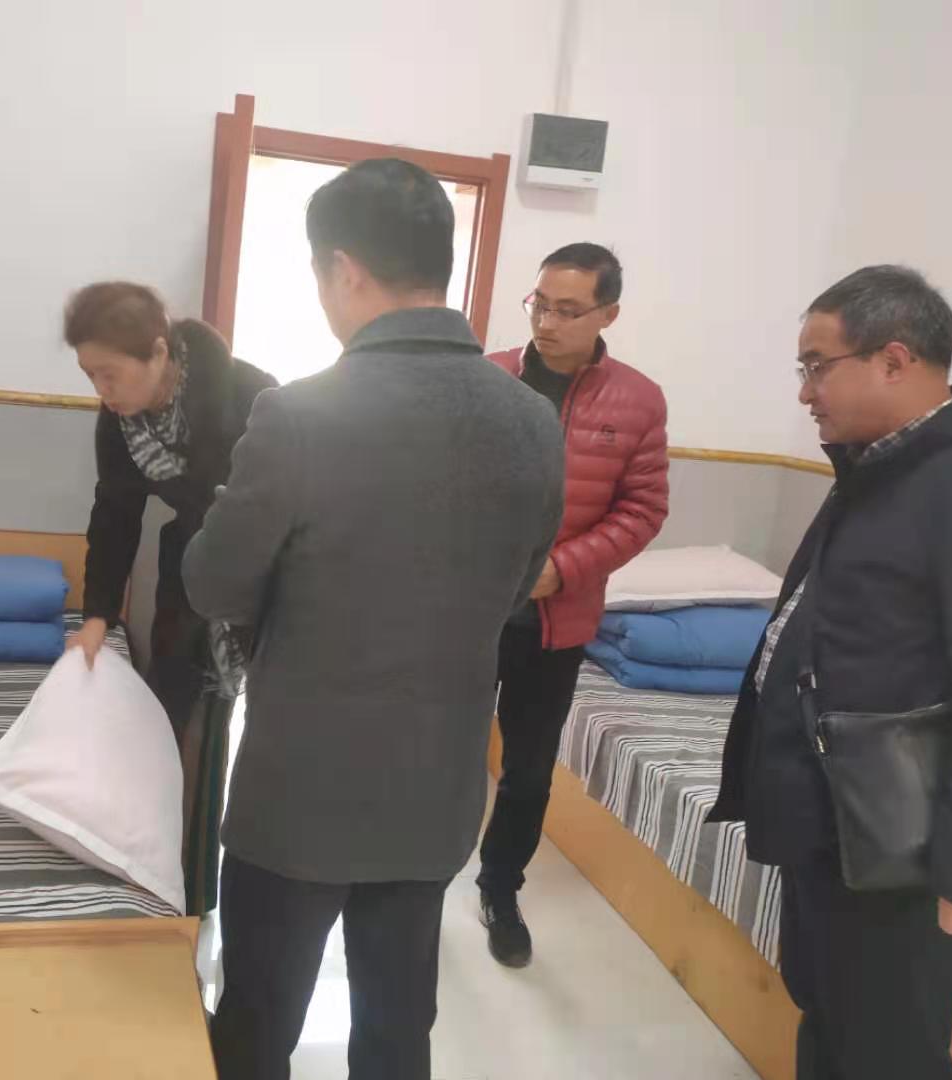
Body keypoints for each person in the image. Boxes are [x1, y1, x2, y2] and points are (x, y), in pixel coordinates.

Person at [183, 159, 564, 1080]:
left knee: (257, 1023)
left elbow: (214, 584)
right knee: (398, 1029)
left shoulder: (299, 414)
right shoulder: (532, 421)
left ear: (344, 270)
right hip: (435, 790)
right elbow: (518, 584)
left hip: (300, 795)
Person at [709, 265, 952, 1080]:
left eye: (818, 366)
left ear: (894, 359)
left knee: (890, 1053)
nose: (805, 391)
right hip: (835, 827)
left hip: (901, 847)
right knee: (830, 1021)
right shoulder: (881, 464)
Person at [478, 243, 669, 966]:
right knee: (441, 753)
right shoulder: (488, 378)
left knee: (528, 770)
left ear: (607, 314)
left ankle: (500, 889)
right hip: (468, 614)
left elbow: (643, 509)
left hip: (555, 623)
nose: (546, 323)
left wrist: (562, 570)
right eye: (539, 305)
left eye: (567, 310)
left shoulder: (638, 400)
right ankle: (415, 879)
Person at [63, 282, 277, 915]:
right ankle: (171, 879)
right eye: (90, 375)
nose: (101, 390)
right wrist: (98, 615)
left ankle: (239, 885)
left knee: (258, 729)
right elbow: (114, 515)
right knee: (173, 712)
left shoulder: (251, 396)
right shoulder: (118, 423)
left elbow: (291, 507)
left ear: (159, 352)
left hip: (266, 575)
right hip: (190, 568)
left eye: (110, 373)